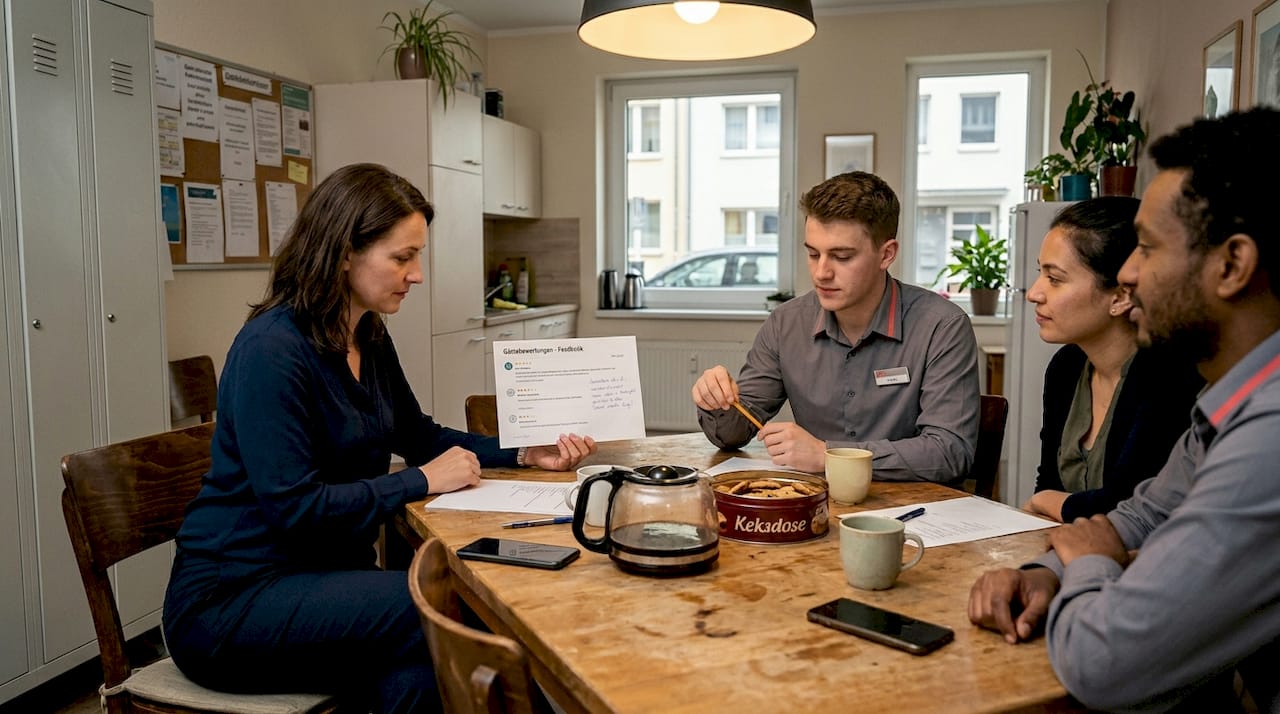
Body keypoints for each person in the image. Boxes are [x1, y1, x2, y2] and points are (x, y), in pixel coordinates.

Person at [161, 163, 597, 713]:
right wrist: (418, 481)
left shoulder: (367, 332)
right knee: (451, 608)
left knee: (420, 677)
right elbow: (294, 507)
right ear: (345, 252)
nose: (415, 274)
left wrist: (525, 452)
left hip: (324, 579)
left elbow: (417, 434)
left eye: (416, 256)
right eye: (402, 257)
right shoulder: (271, 351)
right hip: (233, 599)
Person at [968, 108, 1280, 712]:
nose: (1130, 275)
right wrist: (1046, 573)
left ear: (1232, 265)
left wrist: (1085, 567)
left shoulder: (1268, 436)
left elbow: (1105, 664)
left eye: (1147, 247)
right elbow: (1142, 514)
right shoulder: (1230, 402)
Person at [691, 171, 979, 481]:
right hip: (815, 506)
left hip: (915, 516)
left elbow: (950, 451)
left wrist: (828, 455)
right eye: (813, 254)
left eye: (841, 257)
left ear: (887, 254)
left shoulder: (942, 326)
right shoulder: (786, 324)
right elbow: (734, 433)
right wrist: (716, 401)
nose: (821, 273)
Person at [1023, 197, 1202, 523]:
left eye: (1055, 278)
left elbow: (1133, 507)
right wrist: (1048, 501)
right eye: (1040, 273)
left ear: (1121, 296)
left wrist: (1049, 502)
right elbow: (1048, 483)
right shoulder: (1066, 367)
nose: (1034, 293)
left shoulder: (1169, 375)